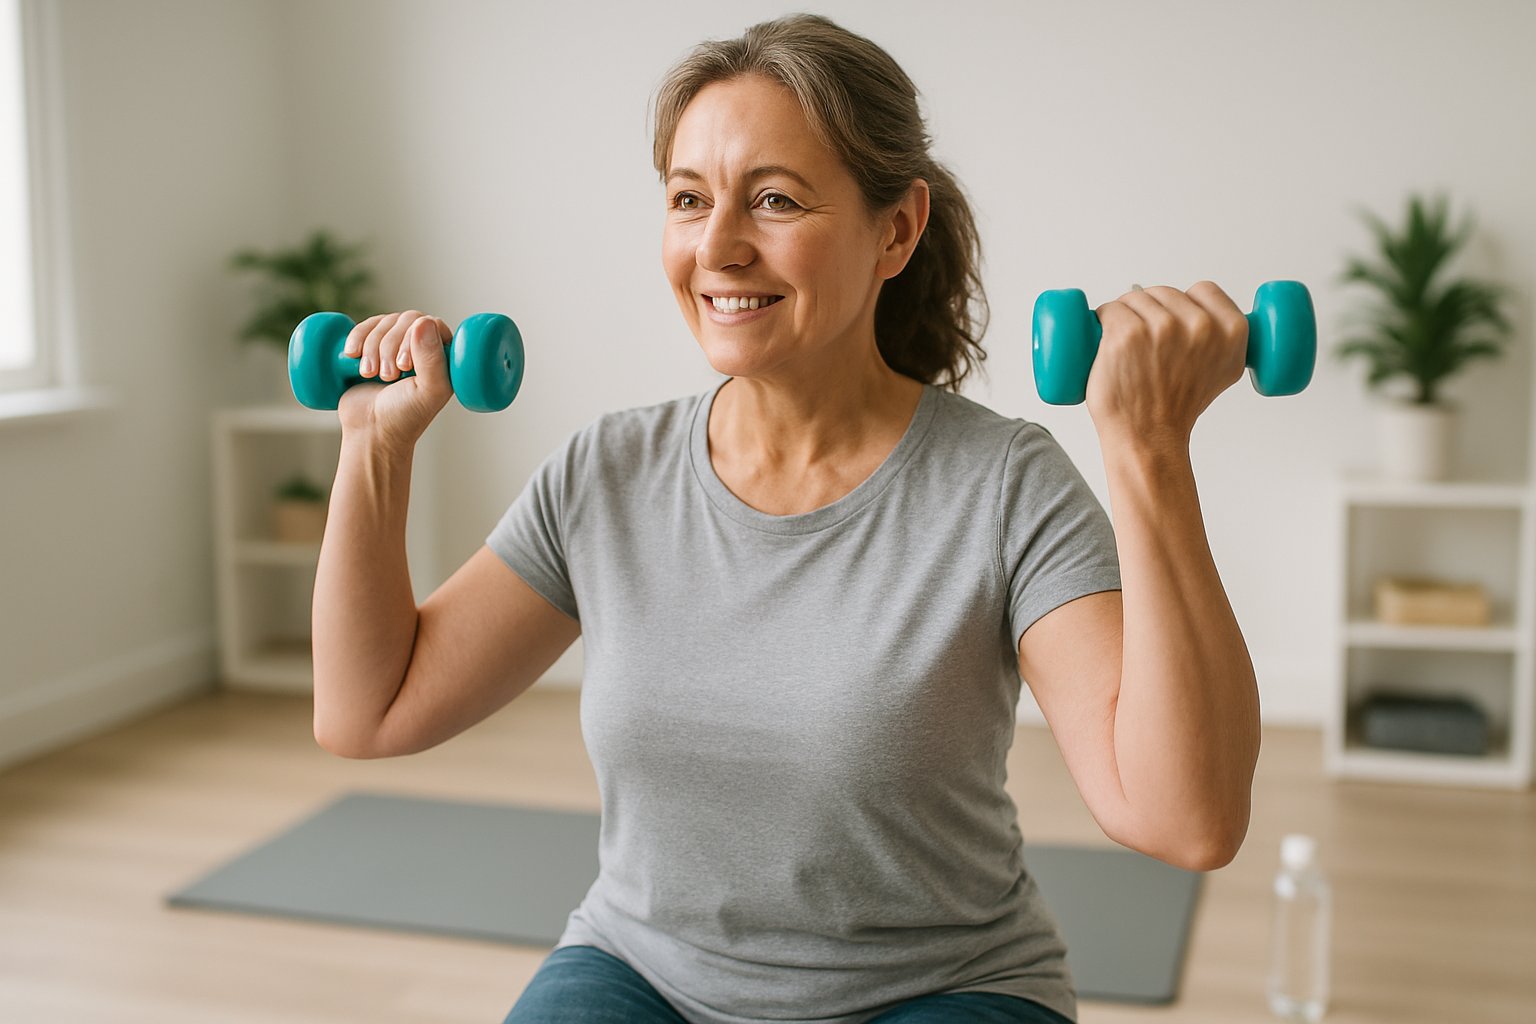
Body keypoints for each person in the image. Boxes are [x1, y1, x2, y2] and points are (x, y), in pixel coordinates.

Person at [311, 13, 1260, 1024]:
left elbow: (1184, 817)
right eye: (688, 199)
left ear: (896, 229)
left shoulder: (1001, 485)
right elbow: (371, 711)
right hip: (645, 970)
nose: (717, 247)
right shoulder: (608, 473)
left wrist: (1147, 448)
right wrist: (376, 445)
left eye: (773, 200)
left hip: (936, 988)